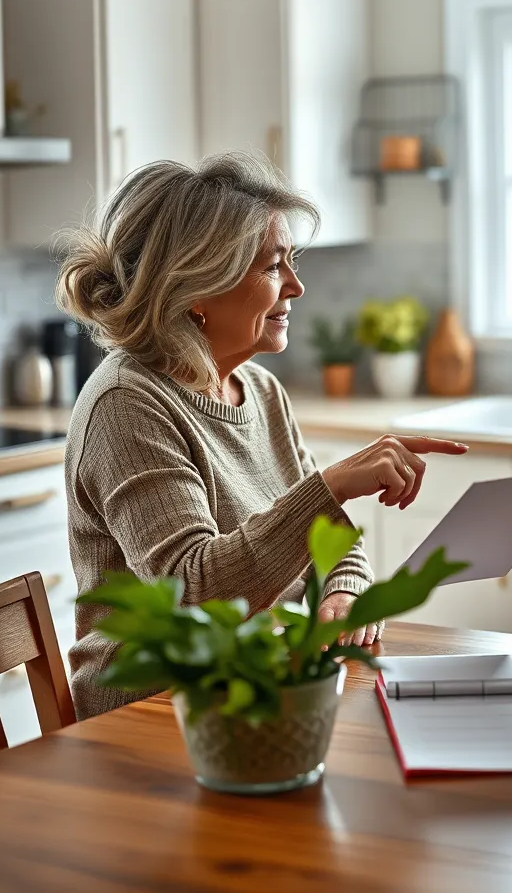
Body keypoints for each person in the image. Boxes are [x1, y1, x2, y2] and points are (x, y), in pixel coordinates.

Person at [58, 153, 467, 719]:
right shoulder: (128, 406)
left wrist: (343, 592)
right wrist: (330, 487)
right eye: (274, 267)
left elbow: (331, 543)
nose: (296, 285)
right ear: (197, 287)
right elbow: (190, 593)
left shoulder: (258, 389)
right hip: (157, 716)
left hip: (264, 689)